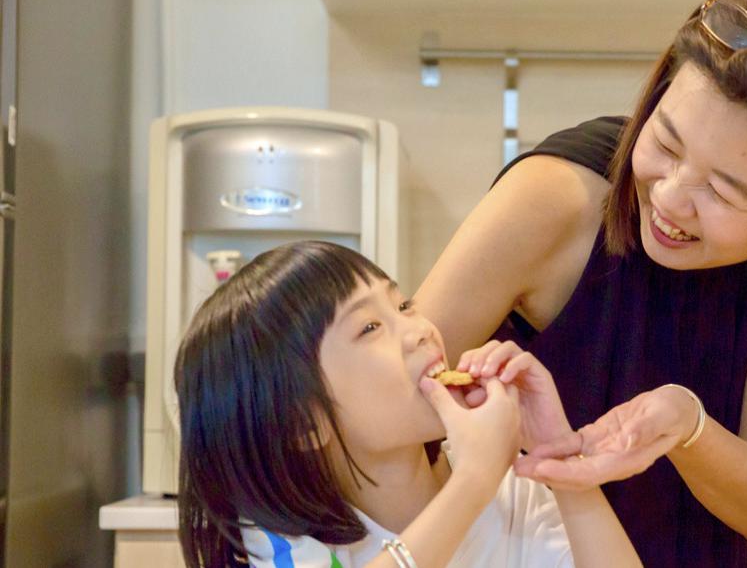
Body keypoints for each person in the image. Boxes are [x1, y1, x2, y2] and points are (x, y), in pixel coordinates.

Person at [414, 0, 747, 566]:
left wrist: (688, 427)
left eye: (723, 191)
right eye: (665, 142)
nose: (671, 199)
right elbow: (386, 400)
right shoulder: (557, 197)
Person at [175, 240, 640, 567]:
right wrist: (473, 482)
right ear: (302, 424)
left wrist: (560, 461)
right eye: (369, 328)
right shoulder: (283, 540)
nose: (420, 330)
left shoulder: (508, 488)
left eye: (402, 306)